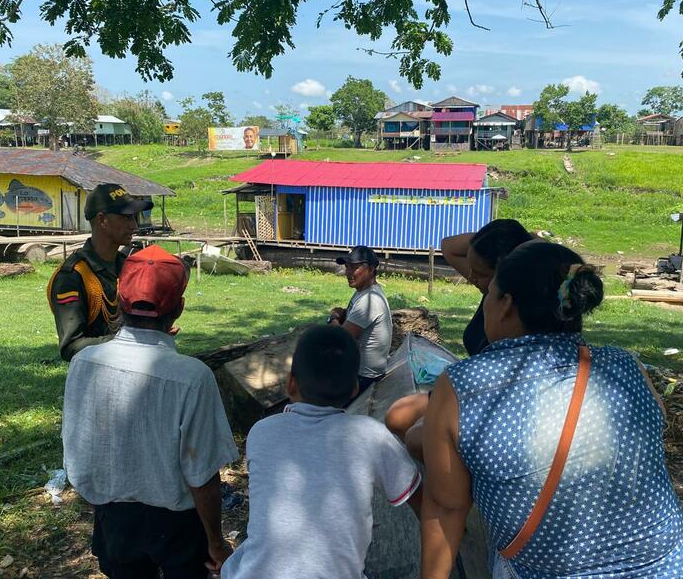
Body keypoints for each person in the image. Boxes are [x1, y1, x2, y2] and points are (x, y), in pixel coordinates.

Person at [420, 241, 683, 579]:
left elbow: (447, 506)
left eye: (488, 293)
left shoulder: (462, 386)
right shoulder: (624, 365)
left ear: (505, 306)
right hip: (675, 568)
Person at [62, 245, 238, 579]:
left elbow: (78, 450)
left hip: (113, 519)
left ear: (119, 299)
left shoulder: (85, 363)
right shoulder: (191, 376)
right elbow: (201, 475)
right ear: (180, 308)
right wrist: (216, 542)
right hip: (177, 527)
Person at [220, 325, 421, 579]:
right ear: (354, 390)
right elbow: (422, 502)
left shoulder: (261, 432)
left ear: (290, 383)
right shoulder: (371, 436)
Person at [385, 220, 532, 459]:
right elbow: (450, 245)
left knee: (414, 437)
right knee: (397, 416)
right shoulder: (492, 290)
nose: (471, 276)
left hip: (493, 397)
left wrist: (529, 247)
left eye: (480, 273)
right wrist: (518, 239)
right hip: (475, 384)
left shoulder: (522, 309)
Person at [47, 183, 152, 361]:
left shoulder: (127, 266)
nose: (133, 225)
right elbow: (71, 347)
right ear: (102, 220)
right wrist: (129, 341)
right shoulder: (72, 276)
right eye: (126, 218)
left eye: (134, 218)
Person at [329, 245, 392, 396]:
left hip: (363, 378)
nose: (348, 273)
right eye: (347, 267)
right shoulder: (364, 292)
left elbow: (340, 340)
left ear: (371, 269)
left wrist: (332, 318)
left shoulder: (369, 301)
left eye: (354, 268)